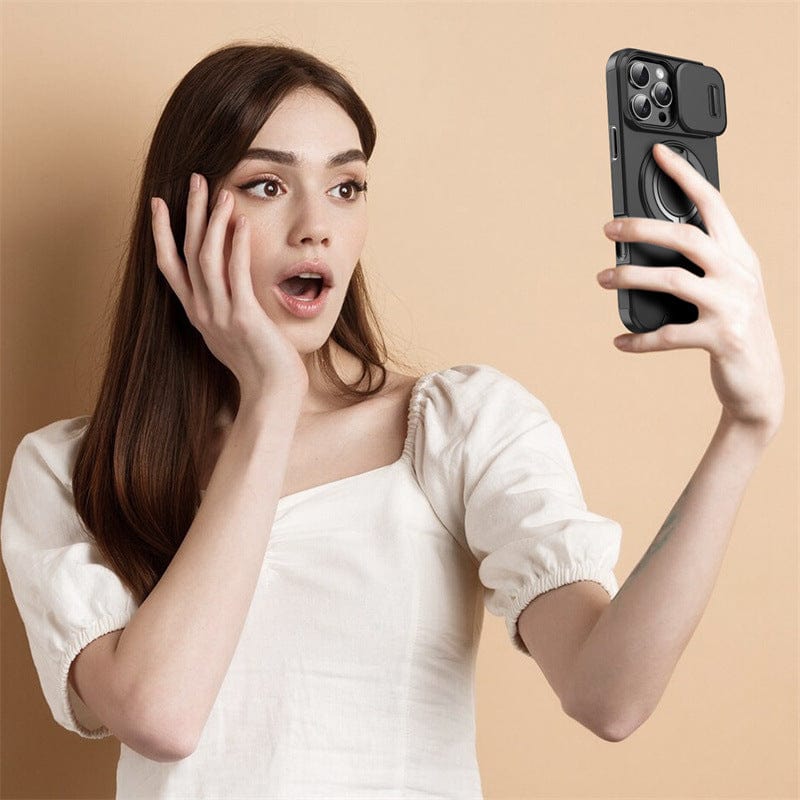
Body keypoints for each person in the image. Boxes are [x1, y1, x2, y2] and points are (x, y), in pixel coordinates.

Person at [0, 40, 783, 800]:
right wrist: (270, 399)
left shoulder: (456, 425)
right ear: (180, 217)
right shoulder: (67, 470)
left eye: (346, 188)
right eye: (267, 186)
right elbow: (161, 714)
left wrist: (744, 430)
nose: (317, 225)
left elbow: (609, 696)